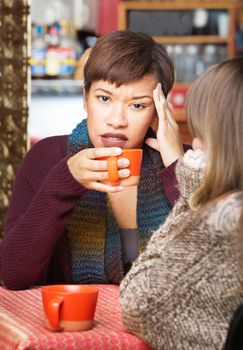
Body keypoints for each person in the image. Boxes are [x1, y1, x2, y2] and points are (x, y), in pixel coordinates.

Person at [0, 30, 185, 290]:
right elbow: (14, 275)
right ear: (85, 97)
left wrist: (179, 168)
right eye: (104, 99)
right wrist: (65, 182)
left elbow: (218, 274)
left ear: (159, 107)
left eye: (137, 105)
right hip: (76, 327)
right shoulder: (48, 157)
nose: (117, 120)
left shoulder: (186, 164)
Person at [120, 58, 243, 350]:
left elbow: (141, 302)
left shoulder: (228, 215)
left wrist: (190, 178)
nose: (196, 144)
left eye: (200, 132)